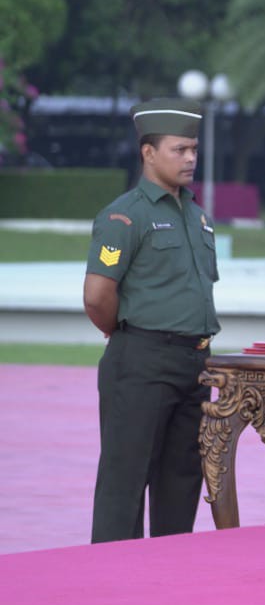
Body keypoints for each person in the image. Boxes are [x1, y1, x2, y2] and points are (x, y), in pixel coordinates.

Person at [82, 99, 219, 544]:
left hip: (195, 366)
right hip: (141, 362)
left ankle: (168, 585)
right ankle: (111, 585)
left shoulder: (198, 218)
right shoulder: (125, 217)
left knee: (182, 482)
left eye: (194, 150)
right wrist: (125, 335)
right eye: (180, 150)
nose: (191, 159)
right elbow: (98, 296)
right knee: (125, 482)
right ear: (148, 152)